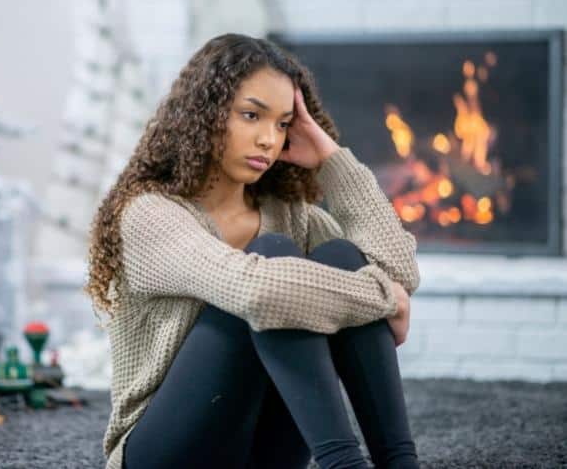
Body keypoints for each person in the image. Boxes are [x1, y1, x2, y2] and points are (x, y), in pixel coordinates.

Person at [85, 33, 420, 469]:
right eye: (251, 115)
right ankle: (345, 464)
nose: (268, 139)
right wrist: (382, 299)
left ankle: (400, 462)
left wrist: (329, 156)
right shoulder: (149, 215)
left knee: (341, 256)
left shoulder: (289, 214)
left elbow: (397, 270)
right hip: (164, 452)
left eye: (282, 124)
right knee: (274, 258)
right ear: (204, 114)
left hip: (263, 452)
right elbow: (257, 291)